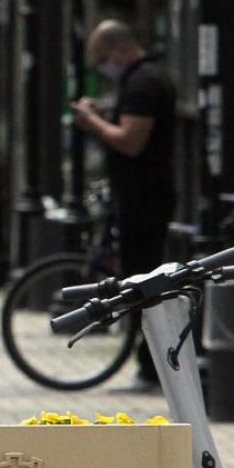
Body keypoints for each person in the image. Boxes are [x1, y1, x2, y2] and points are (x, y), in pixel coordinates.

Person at [73, 19, 176, 386]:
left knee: (143, 280)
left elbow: (131, 140)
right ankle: (149, 362)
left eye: (103, 58)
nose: (104, 67)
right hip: (140, 194)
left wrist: (91, 122)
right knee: (139, 278)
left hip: (143, 197)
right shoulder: (142, 80)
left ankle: (151, 365)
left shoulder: (142, 83)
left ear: (118, 50)